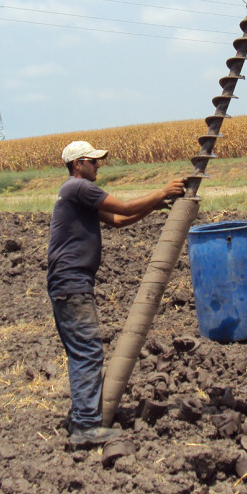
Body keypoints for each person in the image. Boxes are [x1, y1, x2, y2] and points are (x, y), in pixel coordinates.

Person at [47, 140, 185, 446]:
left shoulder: (75, 194)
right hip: (72, 283)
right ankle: (85, 427)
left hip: (67, 284)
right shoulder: (78, 188)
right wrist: (162, 192)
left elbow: (119, 220)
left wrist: (152, 205)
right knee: (87, 351)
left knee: (83, 352)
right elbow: (122, 207)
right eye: (93, 161)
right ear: (78, 164)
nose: (99, 166)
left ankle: (83, 418)